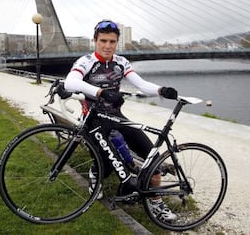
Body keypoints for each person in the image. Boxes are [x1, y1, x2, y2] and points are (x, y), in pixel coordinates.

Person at [64, 20, 178, 221]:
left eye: (112, 42)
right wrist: (101, 92)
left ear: (117, 42)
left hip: (116, 117)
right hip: (94, 120)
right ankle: (95, 177)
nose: (107, 46)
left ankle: (156, 203)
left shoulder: (121, 62)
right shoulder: (86, 61)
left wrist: (161, 90)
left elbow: (141, 84)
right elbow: (71, 82)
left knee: (151, 154)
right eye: (103, 41)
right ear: (95, 41)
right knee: (105, 162)